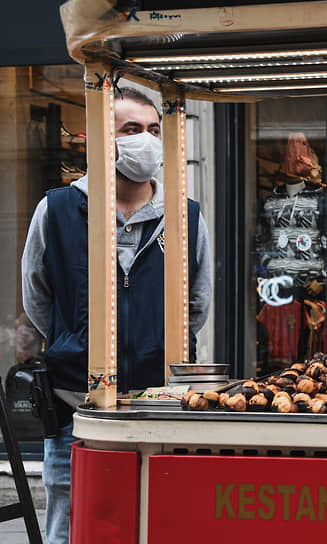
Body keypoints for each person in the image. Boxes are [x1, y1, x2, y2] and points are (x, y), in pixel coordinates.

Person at [21, 87, 212, 543]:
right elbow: (38, 300)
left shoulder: (185, 218)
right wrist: (77, 338)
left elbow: (197, 304)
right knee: (71, 530)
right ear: (103, 140)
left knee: (158, 527)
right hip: (77, 413)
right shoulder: (57, 210)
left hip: (160, 411)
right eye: (131, 130)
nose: (144, 140)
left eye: (152, 130)